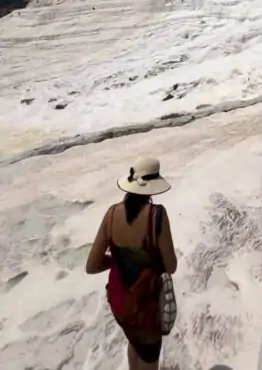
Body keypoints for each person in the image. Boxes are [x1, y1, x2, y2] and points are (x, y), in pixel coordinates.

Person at [86, 156, 178, 370]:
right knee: (148, 355)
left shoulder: (111, 213)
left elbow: (92, 266)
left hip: (120, 303)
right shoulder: (156, 216)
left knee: (134, 342)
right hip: (145, 308)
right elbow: (171, 266)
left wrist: (119, 259)